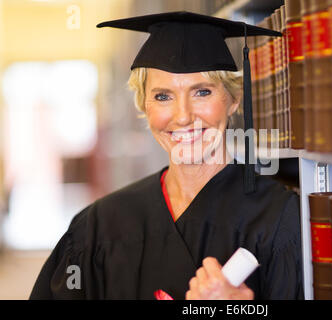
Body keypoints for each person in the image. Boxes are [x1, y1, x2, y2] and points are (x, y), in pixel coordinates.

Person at [29, 11, 304, 300]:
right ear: (143, 105)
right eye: (163, 96)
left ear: (233, 100)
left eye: (202, 92)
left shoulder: (278, 219)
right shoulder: (98, 226)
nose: (183, 117)